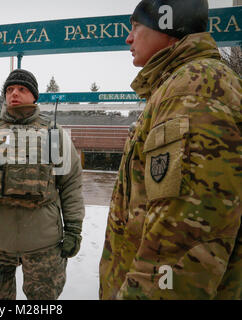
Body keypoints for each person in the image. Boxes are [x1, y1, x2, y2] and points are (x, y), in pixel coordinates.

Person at [99, 0, 241, 300]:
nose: (128, 38)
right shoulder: (178, 85)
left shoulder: (194, 90)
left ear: (169, 26)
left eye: (136, 27)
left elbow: (183, 240)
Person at [0, 69, 85, 300]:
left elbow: (71, 184)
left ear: (34, 96)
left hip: (43, 246)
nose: (14, 93)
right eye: (9, 89)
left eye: (22, 89)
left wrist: (73, 228)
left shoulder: (53, 134)